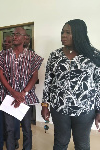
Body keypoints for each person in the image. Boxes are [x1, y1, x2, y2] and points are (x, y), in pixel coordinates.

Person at [41, 19, 100, 150]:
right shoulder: (55, 56)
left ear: (79, 34)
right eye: (62, 32)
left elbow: (98, 85)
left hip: (84, 109)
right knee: (60, 142)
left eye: (68, 32)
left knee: (82, 144)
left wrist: (99, 110)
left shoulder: (93, 55)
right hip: (59, 109)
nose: (63, 35)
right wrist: (45, 105)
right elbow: (48, 82)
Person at [0, 27, 43, 150]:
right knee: (9, 129)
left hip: (25, 98)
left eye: (18, 34)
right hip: (8, 97)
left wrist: (23, 93)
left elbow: (34, 76)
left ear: (25, 37)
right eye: (13, 34)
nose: (14, 36)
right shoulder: (3, 55)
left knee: (27, 128)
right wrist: (13, 92)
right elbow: (0, 75)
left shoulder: (32, 56)